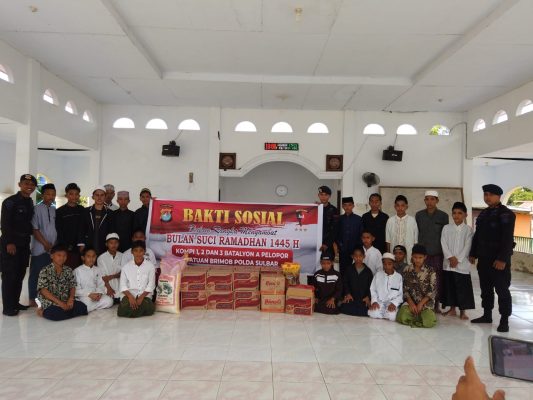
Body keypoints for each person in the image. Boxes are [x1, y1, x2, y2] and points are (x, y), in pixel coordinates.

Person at [469, 184, 515, 333]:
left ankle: (504, 320)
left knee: (502, 291)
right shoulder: (483, 214)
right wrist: (473, 253)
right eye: (485, 194)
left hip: (498, 261)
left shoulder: (507, 214)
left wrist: (502, 259)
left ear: (498, 196)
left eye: (490, 195)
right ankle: (487, 315)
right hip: (484, 260)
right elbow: (477, 235)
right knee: (486, 289)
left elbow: (507, 239)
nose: (487, 197)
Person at [1, 174, 36, 316]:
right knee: (10, 275)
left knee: (20, 274)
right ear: (19, 184)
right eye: (26, 183)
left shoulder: (29, 202)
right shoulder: (10, 202)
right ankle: (8, 307)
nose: (29, 186)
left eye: (32, 185)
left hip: (24, 244)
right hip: (12, 244)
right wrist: (9, 242)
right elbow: (5, 223)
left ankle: (15, 302)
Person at [415, 190, 449, 314]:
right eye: (427, 199)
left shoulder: (443, 216)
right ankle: (423, 303)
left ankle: (436, 304)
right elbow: (417, 233)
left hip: (437, 253)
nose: (429, 202)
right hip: (422, 255)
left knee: (437, 280)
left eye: (432, 199)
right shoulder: (419, 215)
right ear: (424, 200)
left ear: (437, 200)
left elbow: (445, 236)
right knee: (422, 279)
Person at [440, 202, 475, 320]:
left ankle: (463, 312)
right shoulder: (446, 228)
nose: (457, 215)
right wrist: (450, 257)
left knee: (462, 288)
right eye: (454, 213)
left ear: (465, 215)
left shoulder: (468, 230)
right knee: (450, 286)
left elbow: (468, 246)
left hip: (462, 264)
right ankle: (452, 309)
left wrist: (458, 260)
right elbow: (443, 243)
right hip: (448, 263)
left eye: (460, 213)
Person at [36, 244, 88, 321]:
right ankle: (41, 312)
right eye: (59, 255)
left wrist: (71, 299)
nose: (62, 258)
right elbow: (43, 291)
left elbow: (72, 286)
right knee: (56, 314)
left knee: (83, 308)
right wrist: (60, 303)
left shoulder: (68, 270)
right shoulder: (44, 270)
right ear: (52, 256)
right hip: (51, 301)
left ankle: (65, 312)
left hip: (65, 299)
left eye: (64, 256)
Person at [28, 183, 57, 307]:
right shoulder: (36, 209)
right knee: (36, 274)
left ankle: (46, 297)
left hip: (52, 249)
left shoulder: (54, 210)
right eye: (48, 194)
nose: (51, 197)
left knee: (48, 275)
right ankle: (32, 298)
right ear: (42, 195)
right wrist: (45, 243)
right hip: (40, 248)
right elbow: (34, 229)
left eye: (53, 194)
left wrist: (53, 246)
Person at [396, 244, 437, 328]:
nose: (417, 260)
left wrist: (421, 304)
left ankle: (416, 318)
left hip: (425, 304)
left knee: (430, 321)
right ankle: (418, 319)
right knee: (401, 316)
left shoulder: (431, 271)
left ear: (425, 257)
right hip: (411, 303)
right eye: (415, 257)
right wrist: (411, 303)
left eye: (420, 257)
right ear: (412, 256)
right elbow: (404, 289)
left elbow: (432, 290)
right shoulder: (407, 269)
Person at [117, 240, 156, 318]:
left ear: (144, 251)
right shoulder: (126, 267)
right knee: (147, 309)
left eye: (141, 251)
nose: (138, 253)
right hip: (129, 295)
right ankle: (139, 311)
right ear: (132, 252)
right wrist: (131, 297)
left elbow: (151, 285)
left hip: (145, 296)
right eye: (135, 251)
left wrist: (141, 297)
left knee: (149, 308)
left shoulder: (150, 266)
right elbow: (122, 285)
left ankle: (131, 311)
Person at [74, 247, 113, 312]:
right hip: (84, 296)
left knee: (109, 301)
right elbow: (76, 290)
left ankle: (92, 307)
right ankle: (93, 307)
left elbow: (101, 285)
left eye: (93, 256)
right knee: (87, 305)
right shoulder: (77, 271)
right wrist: (89, 294)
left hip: (96, 294)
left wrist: (99, 293)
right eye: (88, 256)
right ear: (83, 258)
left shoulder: (98, 269)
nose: (91, 259)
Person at [55, 183, 84, 269]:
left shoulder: (82, 210)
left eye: (76, 194)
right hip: (66, 248)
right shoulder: (60, 211)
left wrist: (82, 244)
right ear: (66, 195)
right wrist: (65, 247)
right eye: (71, 194)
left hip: (80, 248)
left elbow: (84, 228)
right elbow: (59, 230)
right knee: (66, 271)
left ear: (79, 196)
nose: (74, 196)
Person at [78, 186, 113, 256]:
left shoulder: (110, 213)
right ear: (93, 197)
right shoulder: (85, 211)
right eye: (97, 195)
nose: (99, 197)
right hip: (88, 245)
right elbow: (81, 229)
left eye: (102, 195)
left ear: (105, 197)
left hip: (104, 247)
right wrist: (81, 244)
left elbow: (111, 231)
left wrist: (111, 245)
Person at [368, 253, 403, 321]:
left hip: (391, 302)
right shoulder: (378, 275)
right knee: (373, 313)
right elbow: (373, 290)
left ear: (393, 264)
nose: (387, 266)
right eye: (384, 264)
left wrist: (394, 303)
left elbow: (400, 294)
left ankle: (387, 313)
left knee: (392, 316)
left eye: (389, 264)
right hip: (379, 302)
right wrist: (374, 301)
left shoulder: (398, 277)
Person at [339, 246, 373, 316]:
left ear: (364, 256)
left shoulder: (368, 271)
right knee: (343, 307)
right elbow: (345, 283)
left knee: (365, 311)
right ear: (352, 257)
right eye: (356, 256)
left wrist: (368, 297)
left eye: (360, 256)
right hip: (351, 298)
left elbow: (371, 286)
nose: (358, 258)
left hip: (363, 299)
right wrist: (347, 293)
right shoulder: (348, 269)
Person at [386, 195, 418, 260]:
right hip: (394, 254)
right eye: (398, 205)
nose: (400, 208)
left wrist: (414, 256)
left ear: (406, 206)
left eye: (402, 205)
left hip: (409, 255)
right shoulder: (390, 221)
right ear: (395, 206)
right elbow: (388, 240)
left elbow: (415, 241)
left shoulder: (412, 220)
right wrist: (389, 255)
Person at [335, 196, 362, 275]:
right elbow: (336, 234)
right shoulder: (339, 219)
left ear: (353, 206)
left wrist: (357, 248)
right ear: (342, 206)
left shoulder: (359, 219)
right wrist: (340, 245)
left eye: (349, 205)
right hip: (342, 251)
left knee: (354, 271)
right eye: (345, 205)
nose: (347, 207)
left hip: (355, 251)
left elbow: (361, 235)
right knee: (343, 271)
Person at [97, 233, 123, 304]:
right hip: (106, 285)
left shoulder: (122, 256)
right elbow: (103, 277)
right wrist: (109, 288)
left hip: (119, 285)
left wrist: (111, 276)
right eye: (111, 243)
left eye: (116, 243)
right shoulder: (101, 258)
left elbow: (123, 273)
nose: (113, 245)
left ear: (118, 244)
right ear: (106, 244)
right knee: (109, 300)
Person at [317, 186, 338, 259]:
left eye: (326, 195)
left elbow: (335, 229)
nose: (323, 197)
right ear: (318, 195)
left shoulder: (334, 210)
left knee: (328, 263)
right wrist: (313, 208)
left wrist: (327, 244)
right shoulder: (315, 208)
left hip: (328, 244)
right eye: (321, 194)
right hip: (316, 243)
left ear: (329, 196)